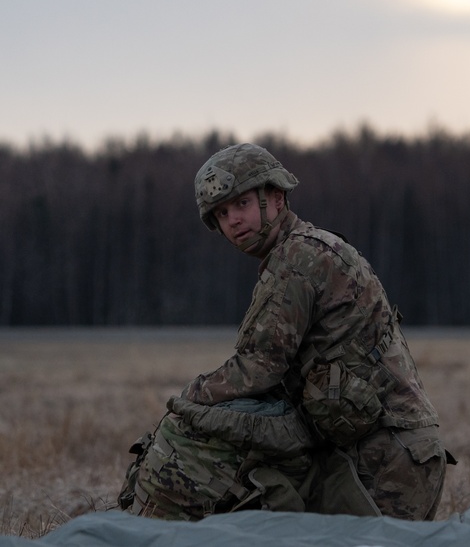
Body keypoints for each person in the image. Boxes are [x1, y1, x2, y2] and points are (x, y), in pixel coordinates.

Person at [173, 142, 450, 520]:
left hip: (386, 459)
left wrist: (189, 398)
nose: (233, 220)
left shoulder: (298, 259)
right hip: (389, 451)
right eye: (221, 214)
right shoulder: (300, 251)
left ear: (277, 197)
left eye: (242, 204)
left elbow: (258, 368)